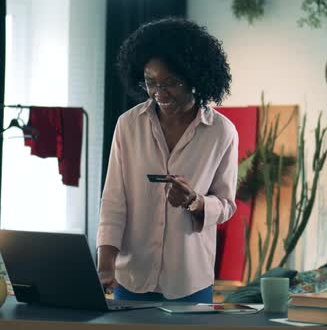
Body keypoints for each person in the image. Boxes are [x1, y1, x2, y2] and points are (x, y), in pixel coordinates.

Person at [97, 17, 238, 303]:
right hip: (133, 278)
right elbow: (113, 202)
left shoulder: (221, 132)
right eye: (151, 83)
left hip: (189, 281)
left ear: (195, 78)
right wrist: (105, 265)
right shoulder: (128, 125)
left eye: (171, 83)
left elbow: (226, 205)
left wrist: (195, 201)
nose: (160, 93)